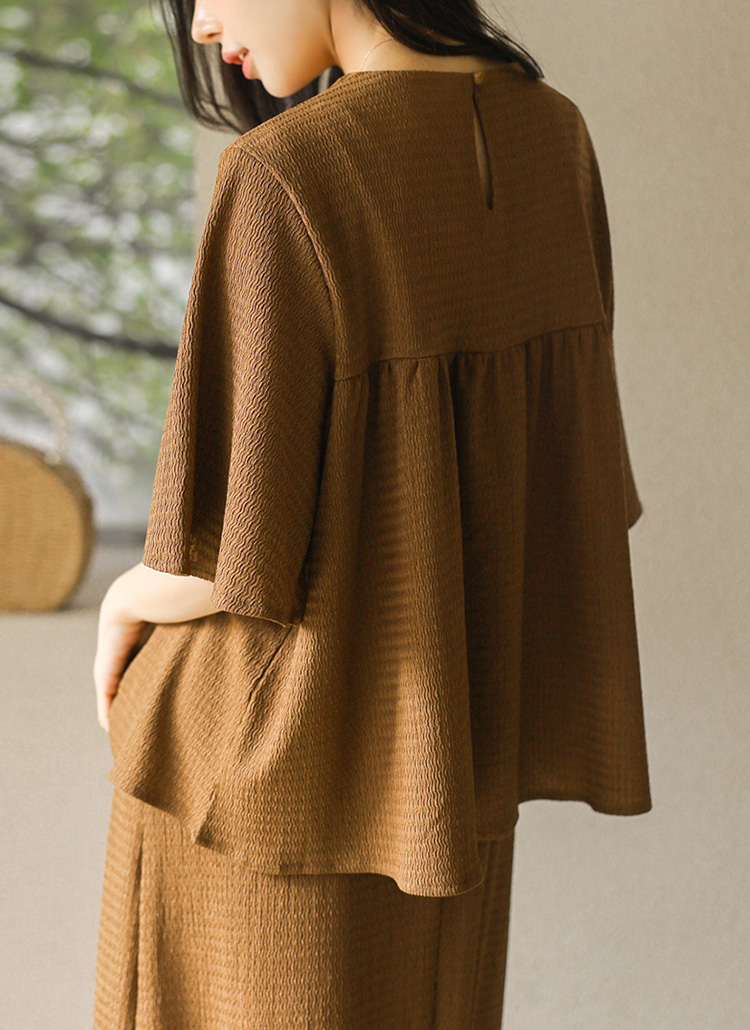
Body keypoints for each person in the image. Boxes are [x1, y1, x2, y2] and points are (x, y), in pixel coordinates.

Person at [92, 1, 652, 1027]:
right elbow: (571, 487)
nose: (204, 23)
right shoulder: (556, 138)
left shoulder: (286, 170)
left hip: (268, 774)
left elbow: (226, 545)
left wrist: (123, 598)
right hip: (446, 761)